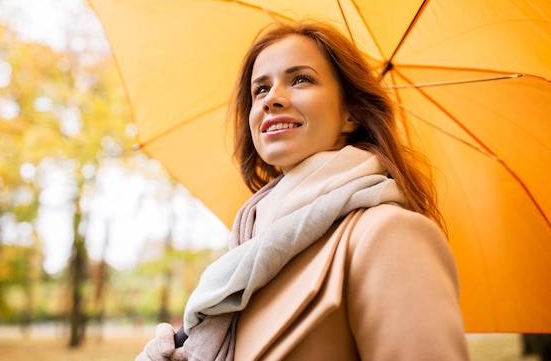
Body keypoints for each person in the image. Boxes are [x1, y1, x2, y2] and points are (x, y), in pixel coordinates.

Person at [136, 19, 470, 360]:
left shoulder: (389, 235)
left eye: (300, 79)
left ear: (351, 113)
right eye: (261, 89)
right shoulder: (245, 254)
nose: (272, 99)